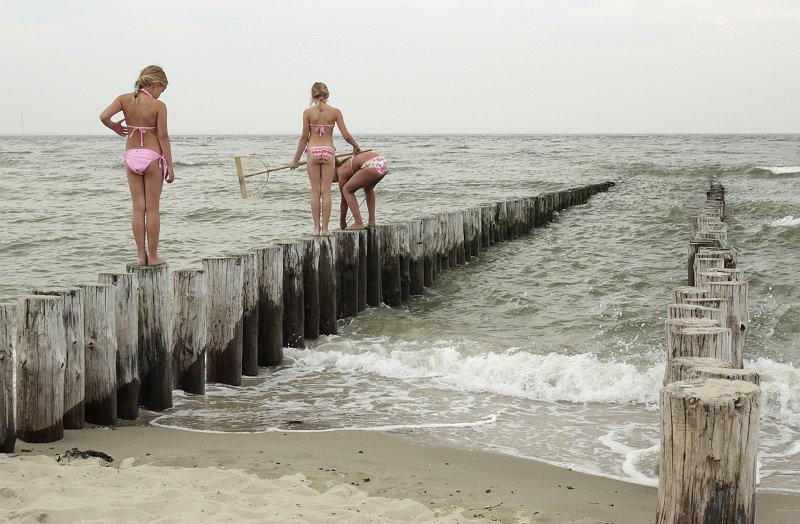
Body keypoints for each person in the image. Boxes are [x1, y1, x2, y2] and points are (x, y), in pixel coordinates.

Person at [99, 65, 175, 266]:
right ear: (156, 84)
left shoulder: (124, 99)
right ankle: (154, 256)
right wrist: (170, 165)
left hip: (131, 156)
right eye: (161, 90)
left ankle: (141, 256)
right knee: (153, 208)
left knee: (137, 208)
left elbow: (104, 116)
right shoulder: (159, 106)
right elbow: (163, 136)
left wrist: (115, 126)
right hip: (152, 157)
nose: (160, 95)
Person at [290, 82, 360, 236]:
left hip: (313, 152)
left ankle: (316, 229)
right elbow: (346, 135)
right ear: (327, 95)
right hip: (329, 151)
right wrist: (355, 146)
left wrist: (296, 160)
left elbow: (304, 138)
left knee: (315, 191)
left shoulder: (308, 112)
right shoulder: (335, 112)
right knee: (326, 191)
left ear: (312, 95)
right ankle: (326, 229)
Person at [336, 150, 389, 230]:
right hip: (383, 163)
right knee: (368, 188)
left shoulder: (341, 171)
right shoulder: (347, 162)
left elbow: (344, 201)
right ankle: (372, 221)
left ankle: (358, 223)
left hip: (373, 164)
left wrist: (342, 222)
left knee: (346, 190)